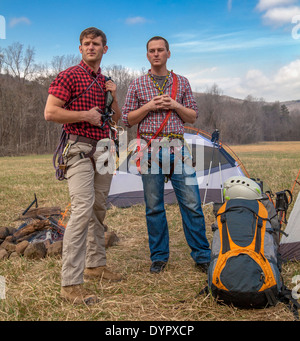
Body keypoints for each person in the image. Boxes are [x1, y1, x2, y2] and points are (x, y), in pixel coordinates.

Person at [44, 27, 122, 305]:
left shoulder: (105, 80)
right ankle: (70, 283)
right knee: (81, 210)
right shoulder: (68, 75)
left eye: (96, 43)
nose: (91, 47)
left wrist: (114, 95)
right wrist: (84, 116)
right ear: (80, 48)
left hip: (104, 149)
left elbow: (115, 119)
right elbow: (50, 112)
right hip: (77, 147)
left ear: (105, 48)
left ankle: (95, 265)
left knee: (99, 208)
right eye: (87, 44)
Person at [122, 36, 211, 274]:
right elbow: (127, 120)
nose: (156, 54)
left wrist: (174, 104)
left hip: (178, 150)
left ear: (168, 53)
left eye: (161, 50)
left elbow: (192, 116)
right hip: (149, 150)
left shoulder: (181, 82)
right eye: (152, 50)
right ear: (147, 55)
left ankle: (202, 256)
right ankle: (159, 257)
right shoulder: (137, 84)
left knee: (192, 204)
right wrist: (148, 107)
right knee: (154, 207)